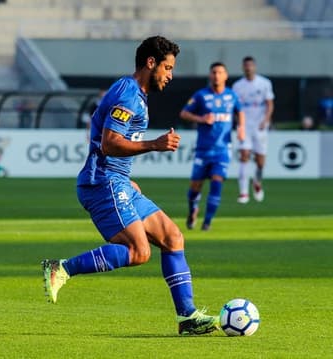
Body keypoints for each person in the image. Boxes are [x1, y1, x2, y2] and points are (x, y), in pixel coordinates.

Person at [42, 36, 221, 336]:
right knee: (138, 251)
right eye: (167, 67)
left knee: (173, 237)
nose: (170, 75)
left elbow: (100, 129)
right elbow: (111, 143)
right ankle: (61, 268)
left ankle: (187, 317)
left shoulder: (134, 93)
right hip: (102, 184)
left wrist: (123, 175)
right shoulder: (128, 94)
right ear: (150, 63)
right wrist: (155, 144)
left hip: (116, 180)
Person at [181, 62, 245, 231]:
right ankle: (193, 209)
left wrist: (241, 128)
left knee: (217, 182)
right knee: (196, 186)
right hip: (203, 149)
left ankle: (207, 222)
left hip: (223, 150)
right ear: (210, 75)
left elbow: (240, 111)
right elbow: (184, 113)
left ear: (226, 76)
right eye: (214, 72)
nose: (217, 75)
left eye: (220, 72)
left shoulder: (232, 96)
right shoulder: (201, 95)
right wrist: (202, 119)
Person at [232, 56, 274, 203]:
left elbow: (270, 104)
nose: (248, 68)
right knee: (244, 155)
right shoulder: (237, 86)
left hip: (260, 126)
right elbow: (235, 108)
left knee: (260, 161)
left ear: (254, 67)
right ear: (243, 68)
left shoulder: (264, 83)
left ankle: (257, 182)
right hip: (245, 125)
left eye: (250, 65)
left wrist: (266, 120)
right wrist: (240, 124)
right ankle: (243, 193)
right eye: (246, 66)